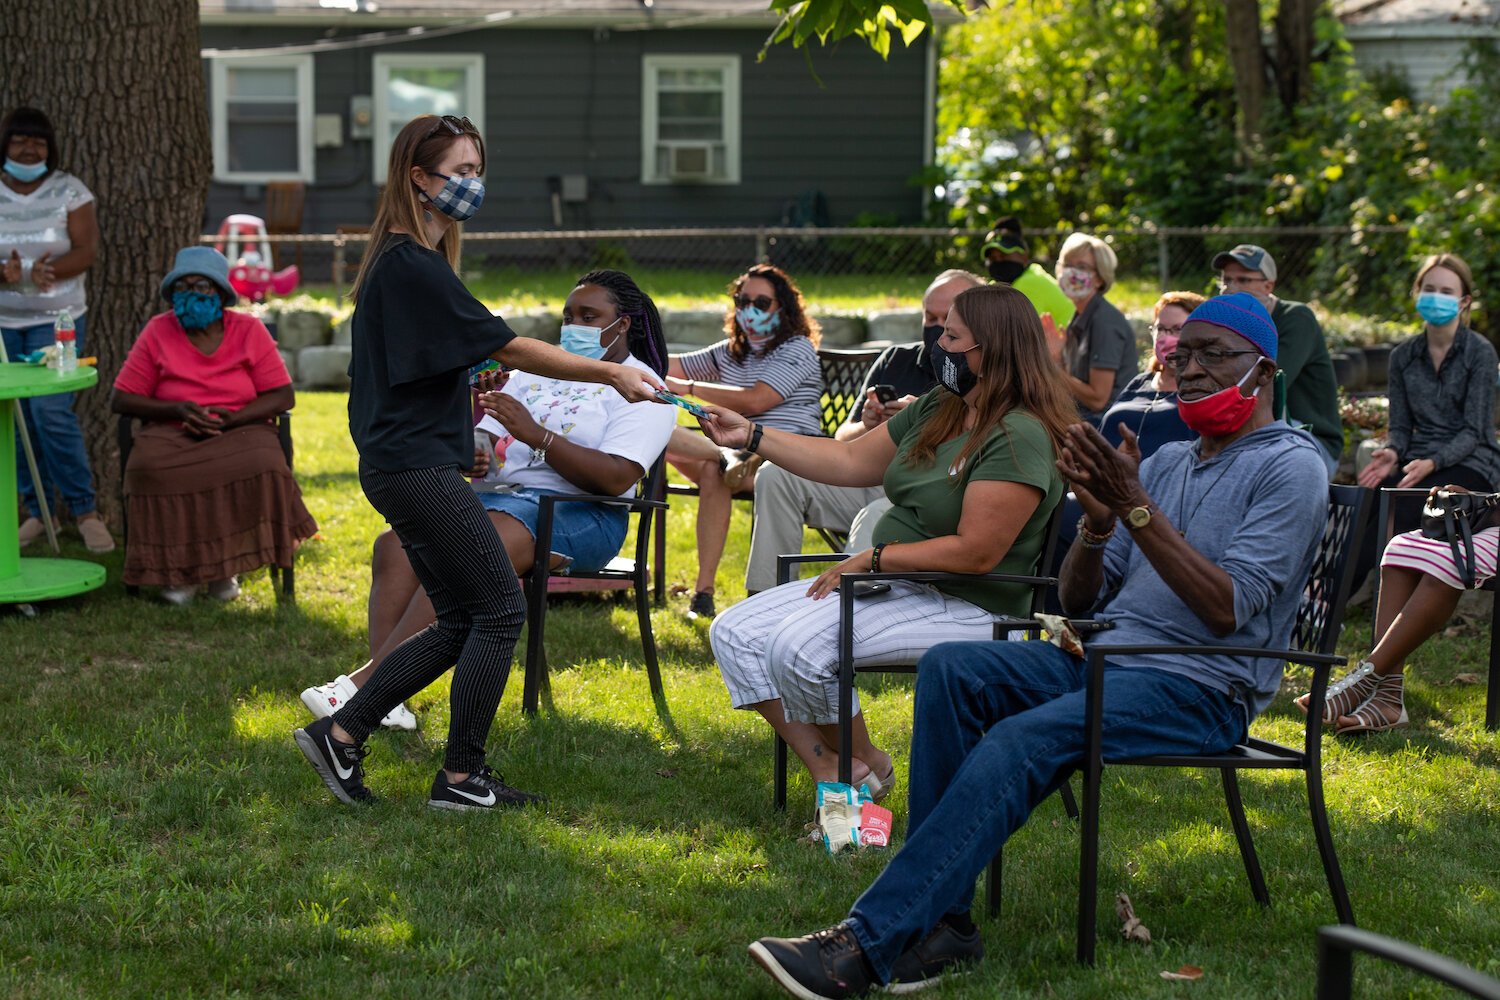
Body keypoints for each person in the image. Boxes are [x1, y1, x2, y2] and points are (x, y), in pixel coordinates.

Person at [745, 293, 1330, 997]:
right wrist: (1100, 524)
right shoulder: (1172, 461)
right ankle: (946, 926)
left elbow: (1226, 609)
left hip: (1199, 687)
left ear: (1261, 370)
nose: (1192, 369)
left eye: (1214, 355)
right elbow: (1081, 600)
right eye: (1183, 353)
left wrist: (1136, 510)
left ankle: (867, 944)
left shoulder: (1292, 466)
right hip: (1110, 658)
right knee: (953, 671)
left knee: (1022, 739)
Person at [292, 114, 662, 812]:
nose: (471, 185)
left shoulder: (412, 265)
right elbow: (512, 344)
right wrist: (608, 374)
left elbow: (432, 365)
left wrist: (463, 403)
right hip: (412, 466)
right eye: (459, 172)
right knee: (497, 609)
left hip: (410, 461)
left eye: (475, 171)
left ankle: (347, 737)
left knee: (465, 615)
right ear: (418, 179)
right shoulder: (409, 263)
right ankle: (454, 775)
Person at [705, 284, 1072, 795]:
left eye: (951, 335)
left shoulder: (1019, 434)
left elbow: (977, 552)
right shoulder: (942, 406)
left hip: (972, 602)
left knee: (798, 649)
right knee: (735, 633)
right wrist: (750, 435)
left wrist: (875, 557)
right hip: (906, 583)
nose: (936, 346)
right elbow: (849, 461)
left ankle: (851, 784)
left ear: (990, 351)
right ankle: (851, 769)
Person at [300, 268, 676, 731]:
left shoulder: (645, 388)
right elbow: (486, 437)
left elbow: (617, 478)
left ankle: (367, 689)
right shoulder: (542, 370)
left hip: (584, 514)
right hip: (502, 500)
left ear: (624, 325)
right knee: (394, 546)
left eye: (588, 315)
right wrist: (478, 451)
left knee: (475, 547)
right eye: (568, 314)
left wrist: (536, 436)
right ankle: (390, 702)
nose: (572, 325)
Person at [1303, 254, 1499, 734]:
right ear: (1416, 294)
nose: (1436, 297)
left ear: (1465, 300)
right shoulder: (1402, 356)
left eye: (1447, 290)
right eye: (1428, 287)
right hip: (1418, 462)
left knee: (1410, 510)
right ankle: (1326, 622)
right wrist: (1391, 453)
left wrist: (1431, 463)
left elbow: (1477, 431)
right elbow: (1400, 429)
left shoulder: (1479, 352)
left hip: (1470, 466)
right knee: (1370, 514)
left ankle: (1367, 678)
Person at [741, 269, 984, 596]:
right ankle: (765, 603)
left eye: (947, 322)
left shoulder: (976, 382)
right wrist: (869, 423)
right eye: (929, 316)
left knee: (878, 515)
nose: (936, 331)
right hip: (870, 476)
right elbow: (845, 444)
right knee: (775, 475)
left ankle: (843, 617)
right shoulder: (898, 359)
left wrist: (923, 421)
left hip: (925, 495)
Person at [111, 246, 317, 604]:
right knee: (148, 466)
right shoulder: (158, 330)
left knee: (262, 464)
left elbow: (283, 395)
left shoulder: (248, 330)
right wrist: (177, 409)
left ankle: (224, 571)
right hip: (173, 427)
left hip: (240, 427)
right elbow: (122, 399)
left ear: (220, 294)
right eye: (183, 287)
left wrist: (233, 418)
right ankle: (179, 575)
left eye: (202, 287)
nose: (191, 294)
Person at [661, 263, 824, 619]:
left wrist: (687, 390)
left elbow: (756, 400)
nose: (749, 309)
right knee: (696, 458)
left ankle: (703, 591)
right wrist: (625, 359)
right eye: (742, 299)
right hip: (739, 450)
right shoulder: (731, 351)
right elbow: (670, 365)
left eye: (761, 303)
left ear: (783, 307)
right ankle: (703, 592)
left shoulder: (797, 348)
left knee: (712, 467)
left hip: (791, 456)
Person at [0, 106, 112, 552]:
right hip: (4, 326)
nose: (29, 149)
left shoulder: (70, 190)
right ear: (4, 146)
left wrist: (50, 272)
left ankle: (85, 512)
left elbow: (86, 250)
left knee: (50, 413)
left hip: (57, 323)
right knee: (15, 418)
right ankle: (37, 512)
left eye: (39, 142)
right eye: (19, 141)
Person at [1049, 291, 1204, 577]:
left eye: (1177, 330)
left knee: (1060, 521)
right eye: (1161, 328)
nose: (1166, 337)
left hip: (1145, 503)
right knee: (1048, 512)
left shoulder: (1197, 394)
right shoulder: (1141, 382)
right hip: (1095, 490)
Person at [1213, 243, 1342, 472]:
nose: (1230, 288)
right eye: (1226, 280)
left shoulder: (1297, 318)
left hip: (1307, 438)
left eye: (1242, 280)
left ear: (1268, 285)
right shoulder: (1223, 322)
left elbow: (1266, 382)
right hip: (1248, 435)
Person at [1055, 232, 1138, 423]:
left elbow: (1098, 399)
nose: (1071, 273)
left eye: (1082, 267)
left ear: (1100, 278)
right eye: (1067, 265)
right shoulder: (1080, 316)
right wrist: (1057, 357)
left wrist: (1052, 370)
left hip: (1105, 426)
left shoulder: (1105, 321)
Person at [979, 216, 1075, 329]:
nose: (999, 261)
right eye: (993, 259)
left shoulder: (1029, 283)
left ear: (1024, 257)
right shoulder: (1020, 279)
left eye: (1004, 255)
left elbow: (1016, 335)